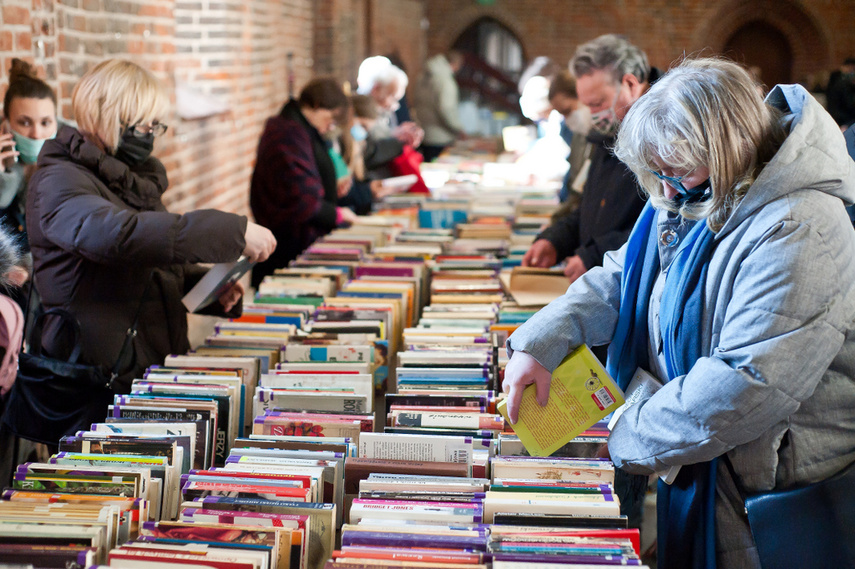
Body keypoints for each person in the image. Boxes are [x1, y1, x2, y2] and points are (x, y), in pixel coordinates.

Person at [503, 57, 855, 568]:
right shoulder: (697, 185)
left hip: (766, 492)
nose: (666, 191)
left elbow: (746, 382)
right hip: (702, 460)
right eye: (656, 173)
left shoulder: (802, 228)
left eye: (676, 171)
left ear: (729, 146)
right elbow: (625, 275)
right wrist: (540, 341)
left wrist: (625, 435)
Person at [26, 59, 276, 405]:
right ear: (111, 117)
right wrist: (232, 231)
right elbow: (119, 237)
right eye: (146, 124)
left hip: (146, 366)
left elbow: (150, 262)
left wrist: (204, 290)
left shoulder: (127, 176)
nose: (151, 134)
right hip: (96, 380)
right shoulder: (58, 181)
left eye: (157, 125)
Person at [522, 34, 652, 284]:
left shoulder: (662, 134)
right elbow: (592, 208)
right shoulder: (612, 127)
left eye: (598, 103)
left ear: (631, 84)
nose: (593, 115)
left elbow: (662, 226)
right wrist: (555, 240)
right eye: (587, 105)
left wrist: (592, 255)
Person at [250, 76, 358, 287]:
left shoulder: (299, 128)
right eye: (331, 118)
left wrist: (330, 186)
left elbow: (303, 177)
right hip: (287, 247)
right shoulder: (287, 133)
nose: (330, 126)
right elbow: (298, 196)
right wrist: (336, 213)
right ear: (317, 105)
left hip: (296, 241)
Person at [0, 59, 58, 248]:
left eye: (45, 123)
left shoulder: (71, 165)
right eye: (25, 123)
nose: (36, 134)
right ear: (6, 124)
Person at [547, 70, 594, 204]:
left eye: (567, 111)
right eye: (562, 114)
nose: (567, 119)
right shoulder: (579, 136)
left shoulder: (599, 137)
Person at [413, 50, 466, 162]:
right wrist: (458, 129)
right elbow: (446, 109)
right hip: (441, 135)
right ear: (455, 64)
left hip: (423, 132)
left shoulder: (422, 76)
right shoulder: (445, 81)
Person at [826, 57, 855, 129]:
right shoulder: (837, 82)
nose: (851, 71)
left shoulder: (847, 84)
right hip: (841, 120)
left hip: (847, 120)